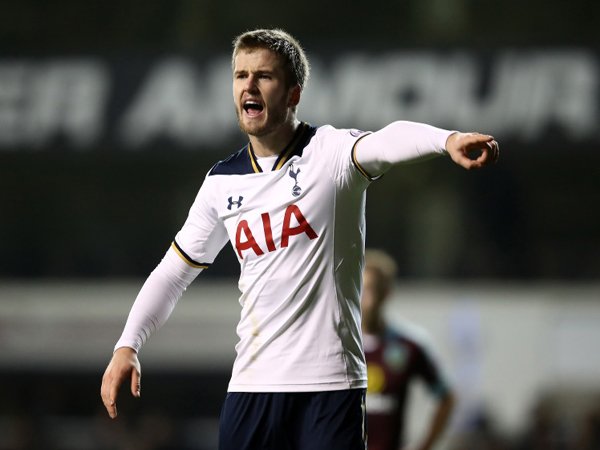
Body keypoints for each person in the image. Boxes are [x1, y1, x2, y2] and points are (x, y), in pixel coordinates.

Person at [100, 28, 499, 450]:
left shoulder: (330, 154)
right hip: (252, 387)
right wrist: (128, 343)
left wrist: (446, 140)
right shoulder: (220, 182)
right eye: (240, 75)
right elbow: (172, 274)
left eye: (263, 76)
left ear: (293, 94)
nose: (248, 86)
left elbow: (388, 139)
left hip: (330, 386)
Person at [361, 249, 455, 450]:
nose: (366, 299)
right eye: (362, 289)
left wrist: (425, 445)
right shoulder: (338, 344)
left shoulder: (409, 345)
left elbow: (446, 397)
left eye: (373, 290)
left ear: (387, 293)